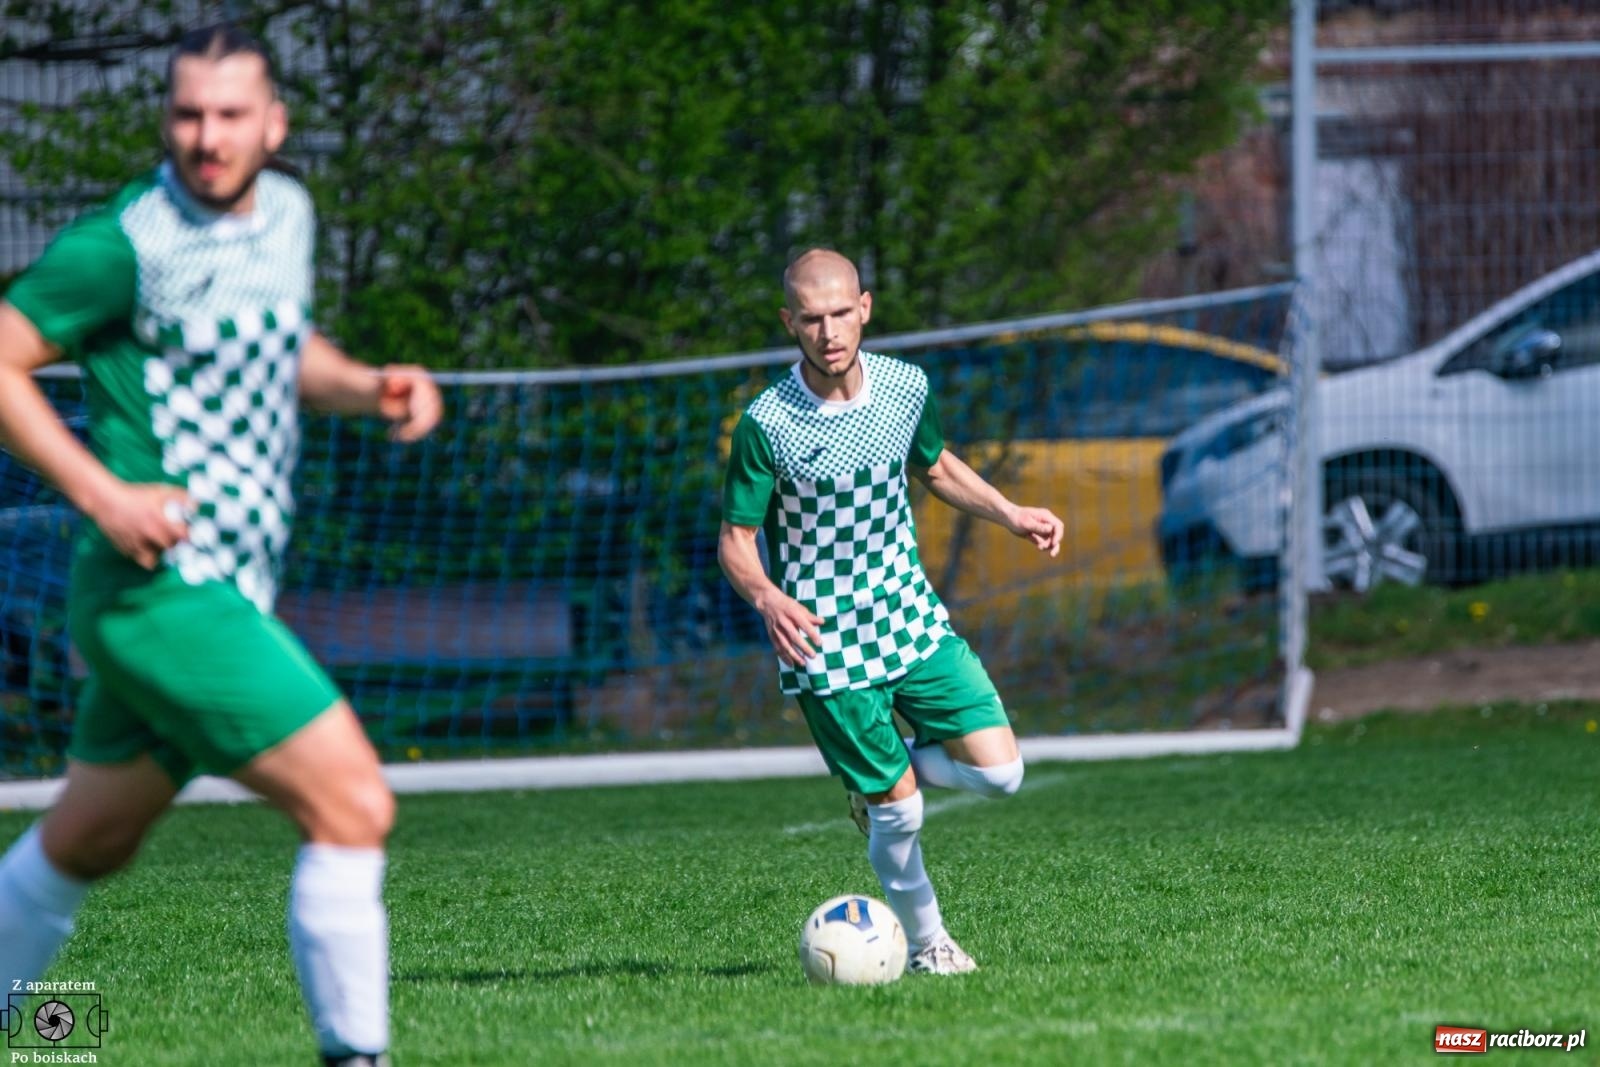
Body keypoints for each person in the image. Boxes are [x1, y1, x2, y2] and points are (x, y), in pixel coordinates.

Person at [0, 24, 441, 1067]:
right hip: (163, 589)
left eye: (231, 114)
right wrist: (103, 493)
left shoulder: (287, 213)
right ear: (167, 120)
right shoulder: (123, 244)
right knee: (353, 799)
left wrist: (369, 385)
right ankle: (359, 1055)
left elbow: (284, 352)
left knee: (86, 841)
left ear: (274, 124)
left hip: (229, 585)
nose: (208, 136)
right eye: (188, 114)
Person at [718, 248, 1065, 975]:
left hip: (909, 616)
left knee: (1003, 774)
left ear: (865, 308)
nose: (828, 331)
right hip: (826, 642)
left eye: (841, 313)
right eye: (810, 318)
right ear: (790, 322)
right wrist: (767, 594)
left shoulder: (908, 387)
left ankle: (879, 776)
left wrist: (1009, 511)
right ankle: (931, 944)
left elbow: (935, 466)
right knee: (901, 811)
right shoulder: (766, 423)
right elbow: (736, 539)